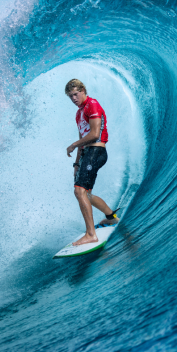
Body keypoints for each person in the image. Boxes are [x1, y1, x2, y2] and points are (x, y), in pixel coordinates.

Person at [65, 79, 119, 246]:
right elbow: (83, 139)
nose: (74, 98)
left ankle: (91, 234)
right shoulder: (79, 113)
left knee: (79, 191)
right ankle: (111, 218)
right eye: (70, 96)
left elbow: (95, 134)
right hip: (87, 153)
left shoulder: (92, 104)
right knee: (86, 194)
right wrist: (76, 164)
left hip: (96, 151)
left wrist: (73, 145)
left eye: (75, 94)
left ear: (83, 90)